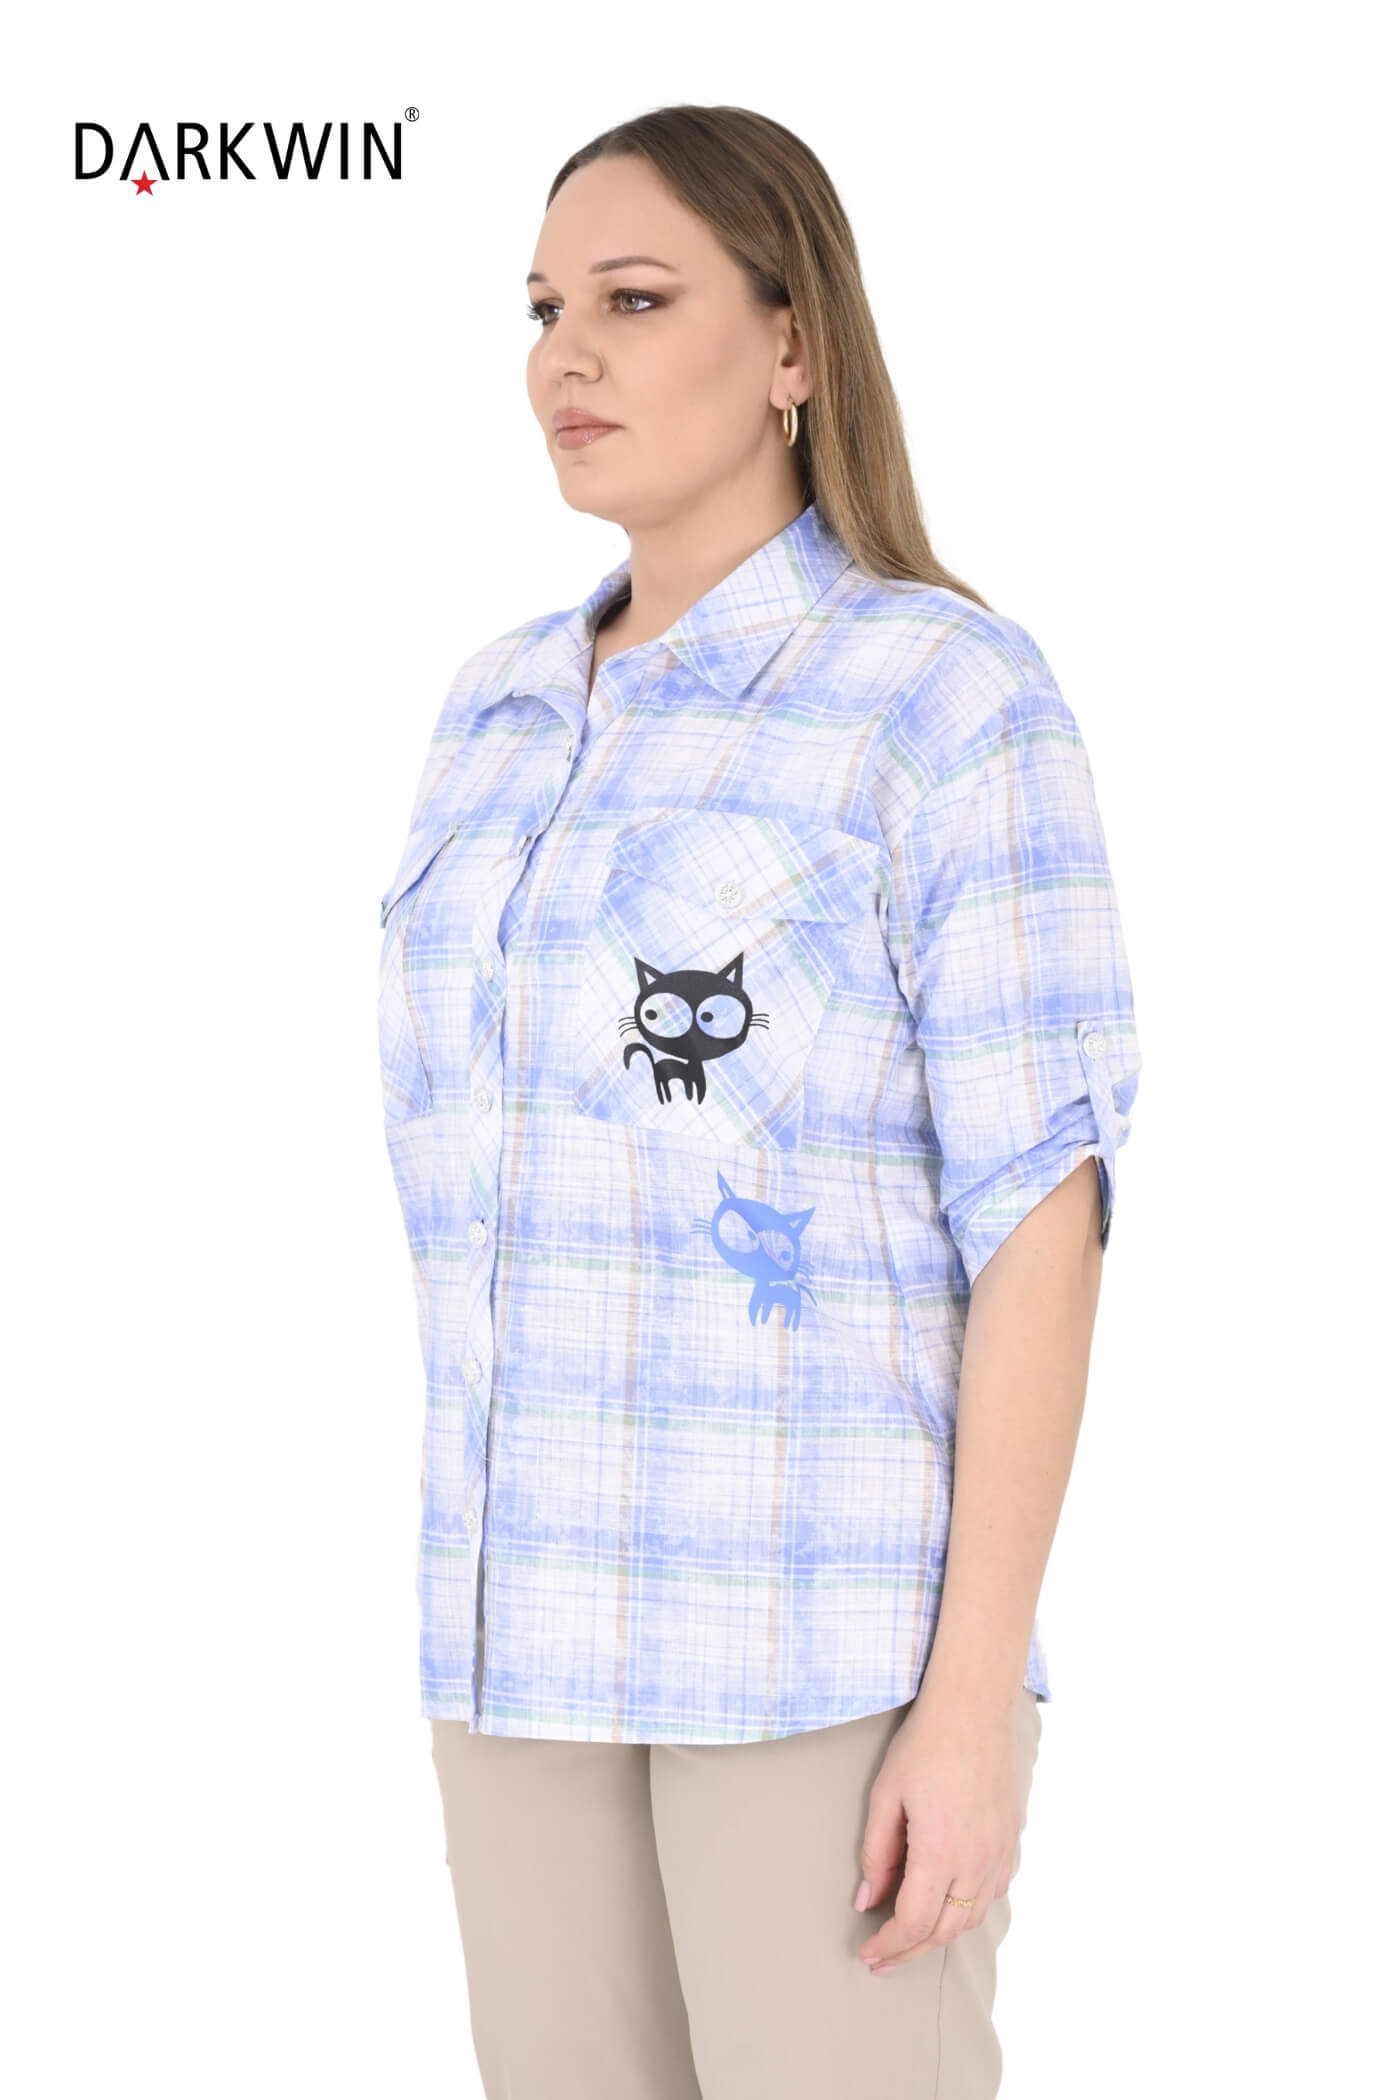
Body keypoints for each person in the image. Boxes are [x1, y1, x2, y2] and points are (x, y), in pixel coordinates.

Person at [376, 102, 1142, 2100]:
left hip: (816, 1651)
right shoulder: (496, 711)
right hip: (515, 1650)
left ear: (792, 342)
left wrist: (969, 1706)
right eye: (544, 308)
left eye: (634, 301)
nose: (567, 356)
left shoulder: (943, 698)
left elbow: (1041, 1217)